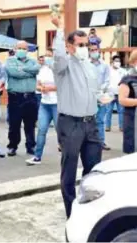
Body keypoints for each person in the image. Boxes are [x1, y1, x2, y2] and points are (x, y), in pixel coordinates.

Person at [51, 15, 102, 219]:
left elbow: (92, 91)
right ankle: (71, 212)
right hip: (71, 123)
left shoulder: (90, 66)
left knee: (93, 168)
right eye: (79, 45)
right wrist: (60, 29)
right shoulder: (63, 66)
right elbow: (59, 57)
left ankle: (88, 207)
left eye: (86, 45)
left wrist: (101, 98)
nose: (84, 48)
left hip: (91, 122)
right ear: (70, 47)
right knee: (70, 169)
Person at [5, 41, 40, 156]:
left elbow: (37, 69)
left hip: (30, 96)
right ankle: (12, 146)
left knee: (30, 124)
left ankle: (31, 146)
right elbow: (14, 72)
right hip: (15, 97)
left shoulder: (33, 61)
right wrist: (29, 72)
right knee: (14, 123)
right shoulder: (10, 61)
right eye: (19, 48)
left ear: (27, 50)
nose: (21, 50)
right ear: (15, 49)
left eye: (24, 48)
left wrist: (22, 69)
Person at [26, 49, 58, 165]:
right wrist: (41, 88)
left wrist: (49, 88)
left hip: (57, 104)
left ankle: (67, 157)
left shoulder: (58, 70)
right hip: (45, 104)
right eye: (46, 56)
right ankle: (37, 157)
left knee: (61, 131)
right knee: (41, 130)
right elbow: (38, 84)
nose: (47, 58)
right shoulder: (42, 70)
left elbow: (63, 85)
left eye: (50, 56)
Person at [89, 43, 111, 151]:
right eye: (92, 50)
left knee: (100, 120)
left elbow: (107, 80)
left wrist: (100, 90)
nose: (94, 52)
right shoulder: (86, 64)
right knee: (89, 120)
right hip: (89, 96)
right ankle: (90, 142)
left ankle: (101, 142)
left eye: (95, 49)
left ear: (99, 50)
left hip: (101, 95)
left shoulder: (105, 65)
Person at [105, 55, 127, 132]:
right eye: (116, 61)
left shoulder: (123, 71)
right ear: (112, 62)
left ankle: (121, 127)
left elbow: (126, 81)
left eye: (119, 61)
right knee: (109, 111)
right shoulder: (108, 70)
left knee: (121, 111)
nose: (118, 63)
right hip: (110, 94)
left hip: (120, 93)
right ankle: (107, 126)